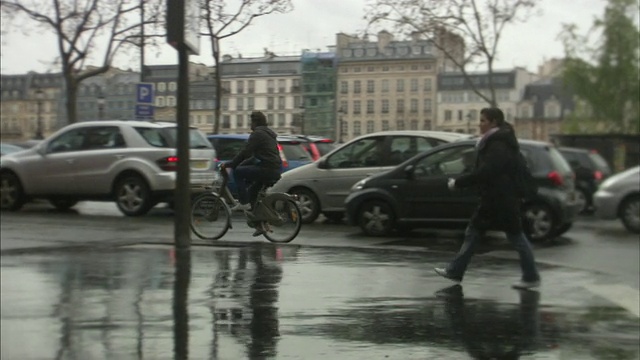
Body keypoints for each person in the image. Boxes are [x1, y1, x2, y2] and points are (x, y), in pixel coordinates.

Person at [434, 107, 541, 290]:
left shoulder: (498, 144)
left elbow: (488, 171)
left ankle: (531, 276)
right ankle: (455, 271)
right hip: (495, 198)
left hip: (501, 199)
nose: (479, 123)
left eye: (483, 120)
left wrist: (460, 182)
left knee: (515, 237)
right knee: (474, 234)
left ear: (494, 122)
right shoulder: (496, 141)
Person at [222, 111, 282, 213]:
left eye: (251, 121)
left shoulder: (257, 134)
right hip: (275, 169)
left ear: (255, 122)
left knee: (237, 172)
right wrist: (241, 164)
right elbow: (254, 157)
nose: (250, 124)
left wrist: (232, 164)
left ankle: (244, 203)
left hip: (267, 169)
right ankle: (260, 223)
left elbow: (245, 152)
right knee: (252, 193)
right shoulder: (268, 134)